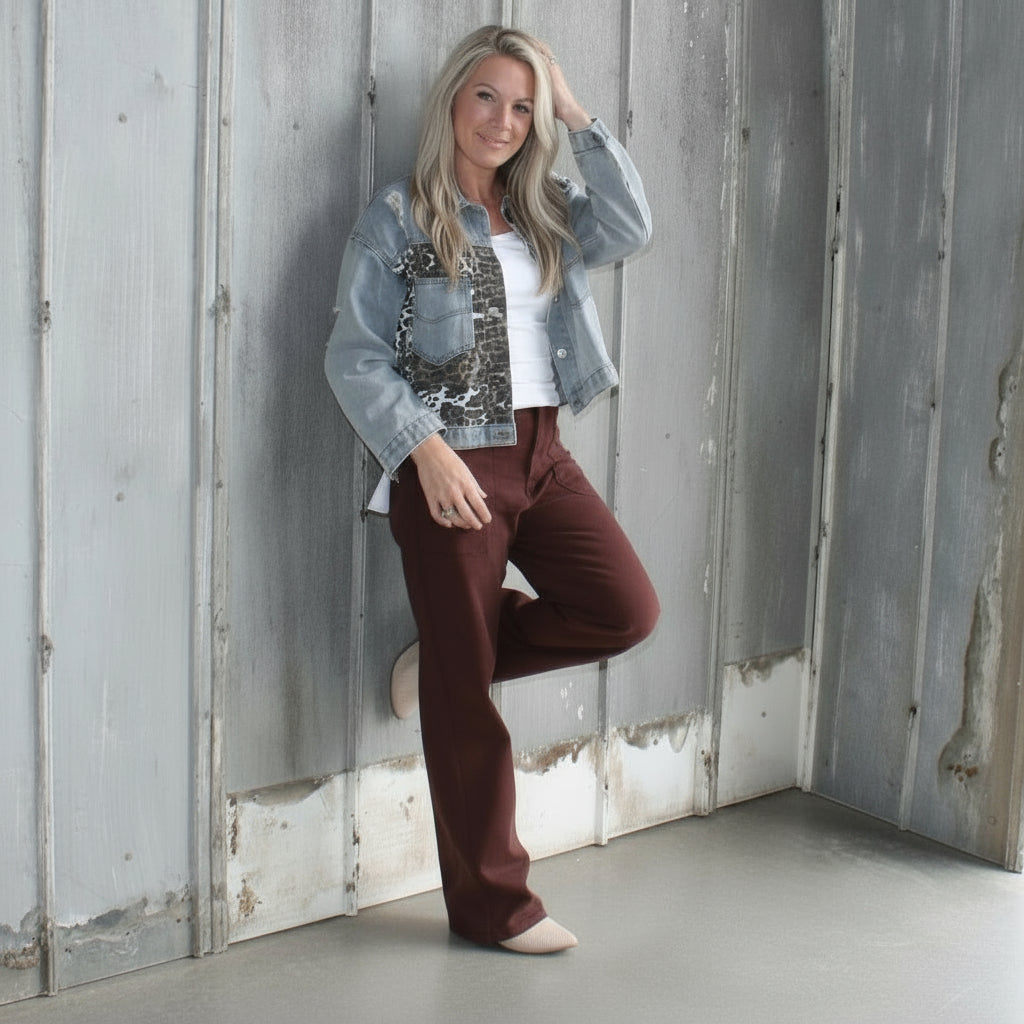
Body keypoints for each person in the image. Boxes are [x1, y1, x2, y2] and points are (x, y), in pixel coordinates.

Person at [325, 25, 659, 955]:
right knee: (469, 703)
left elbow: (632, 223)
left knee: (622, 609)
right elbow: (353, 358)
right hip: (450, 464)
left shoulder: (546, 209)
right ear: (451, 102)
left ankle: (439, 657)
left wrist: (575, 108)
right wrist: (420, 451)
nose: (504, 121)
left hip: (543, 453)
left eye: (523, 105)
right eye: (487, 98)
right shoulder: (400, 215)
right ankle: (494, 910)